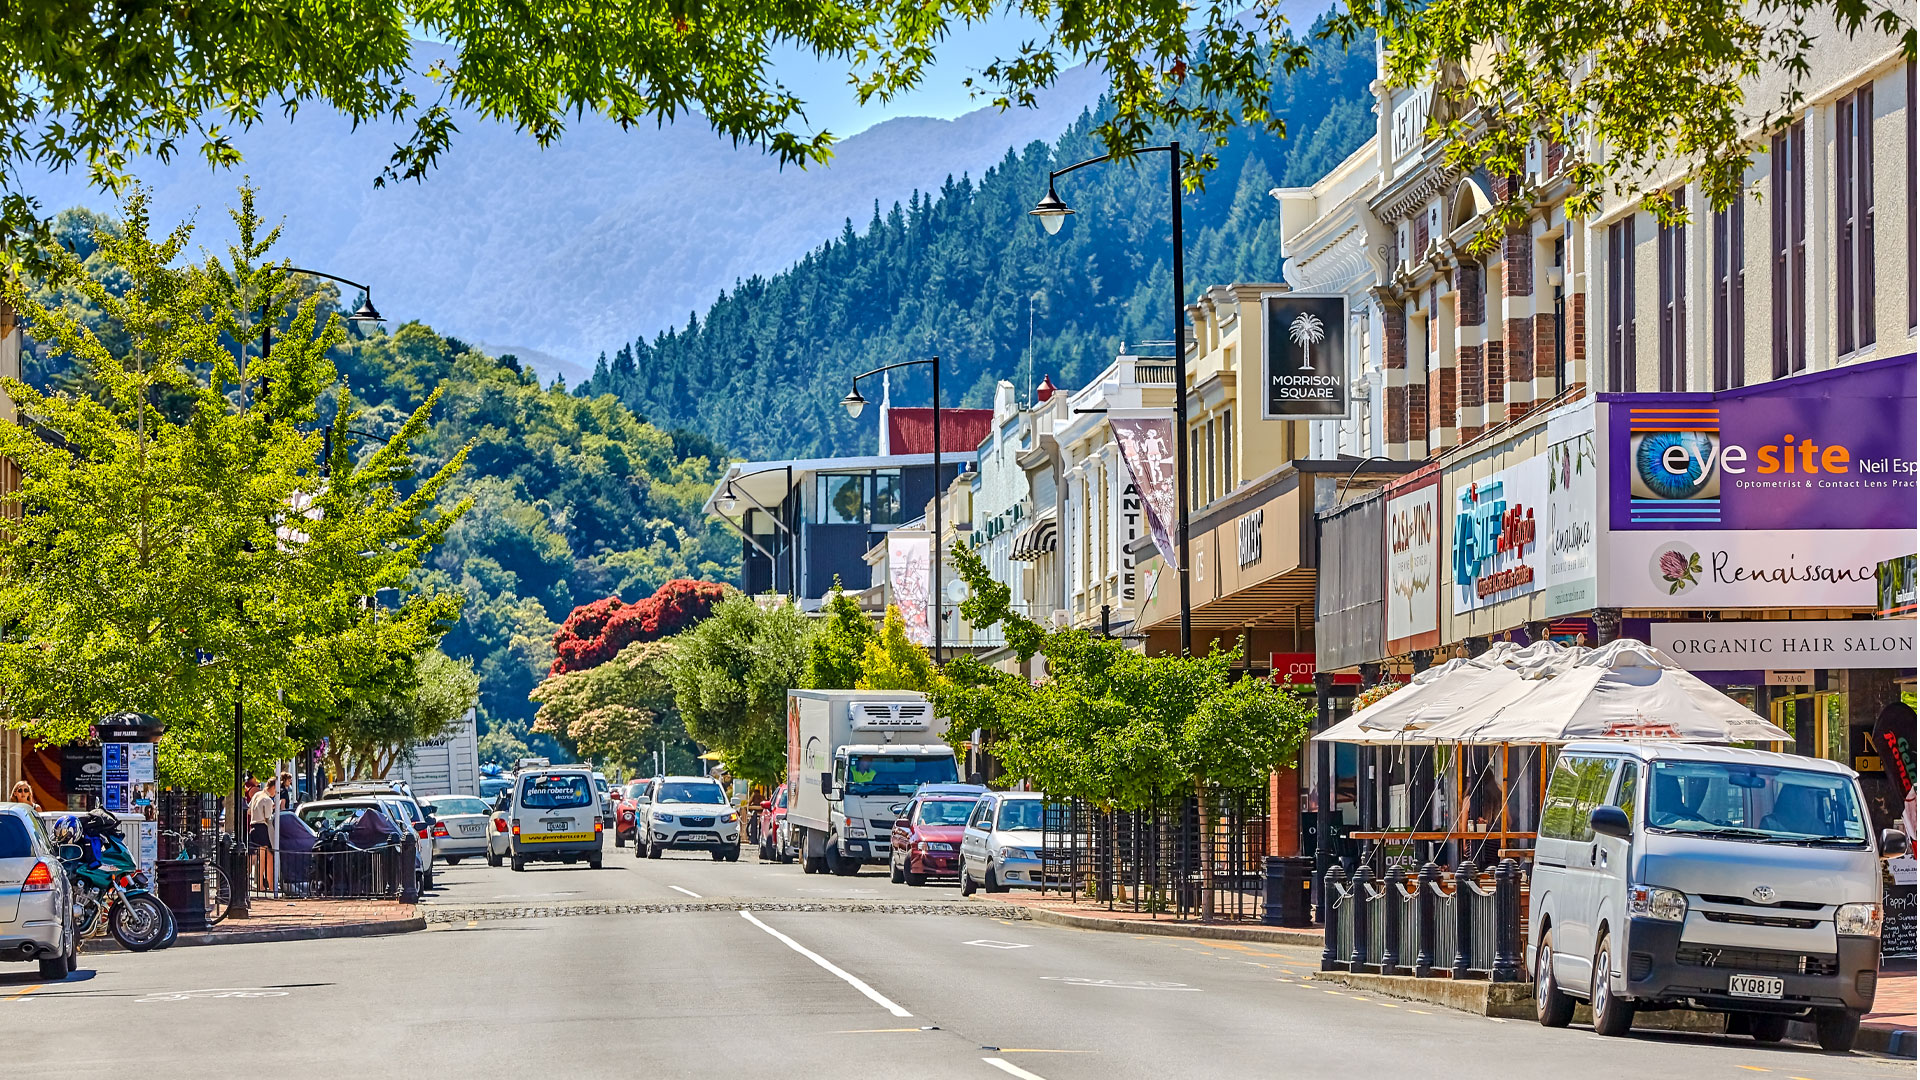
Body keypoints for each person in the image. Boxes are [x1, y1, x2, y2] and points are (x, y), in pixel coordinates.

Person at [248, 777, 278, 892]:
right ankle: (266, 885)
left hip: (253, 827)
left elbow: (249, 811)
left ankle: (264, 884)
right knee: (267, 857)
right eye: (276, 790)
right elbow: (268, 818)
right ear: (273, 787)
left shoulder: (257, 795)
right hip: (262, 828)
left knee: (261, 857)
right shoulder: (268, 800)